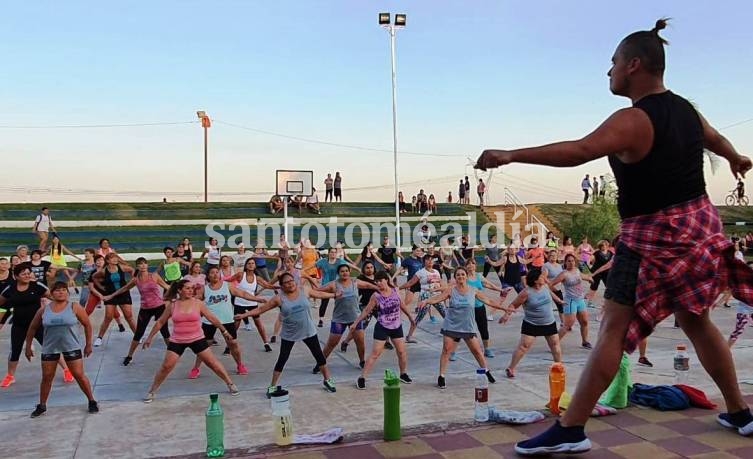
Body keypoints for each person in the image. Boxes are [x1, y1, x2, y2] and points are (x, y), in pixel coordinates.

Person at [476, 19, 753, 453]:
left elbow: (581, 151)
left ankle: (571, 429)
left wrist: (511, 154)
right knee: (698, 321)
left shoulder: (633, 119)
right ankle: (739, 412)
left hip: (651, 237)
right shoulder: (686, 110)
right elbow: (715, 138)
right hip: (699, 228)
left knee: (611, 330)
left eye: (613, 63)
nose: (609, 71)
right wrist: (736, 158)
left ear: (634, 66)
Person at [236, 272, 339, 396]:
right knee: (282, 359)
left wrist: (334, 295)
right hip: (289, 333)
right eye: (286, 282)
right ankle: (272, 386)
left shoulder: (304, 290)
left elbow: (320, 294)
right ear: (282, 286)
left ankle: (327, 380)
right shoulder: (279, 298)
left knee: (319, 356)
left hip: (308, 331)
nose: (290, 284)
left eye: (291, 281)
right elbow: (261, 309)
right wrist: (243, 315)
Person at [142, 280, 240, 402]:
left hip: (197, 338)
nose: (190, 291)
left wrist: (224, 331)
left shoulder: (198, 303)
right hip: (177, 340)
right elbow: (161, 322)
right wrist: (149, 338)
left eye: (191, 288)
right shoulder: (173, 305)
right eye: (187, 288)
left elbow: (211, 318)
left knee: (212, 363)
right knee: (166, 366)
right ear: (179, 290)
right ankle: (152, 391)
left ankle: (230, 383)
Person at [420, 267, 507, 388]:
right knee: (446, 351)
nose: (460, 277)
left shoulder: (473, 290)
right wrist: (427, 301)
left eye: (462, 274)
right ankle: (441, 376)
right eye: (458, 275)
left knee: (477, 351)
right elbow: (438, 298)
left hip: (467, 326)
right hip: (451, 325)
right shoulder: (451, 290)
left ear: (466, 276)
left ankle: (486, 371)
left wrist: (504, 308)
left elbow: (488, 301)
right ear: (455, 278)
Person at [24, 281, 98, 417]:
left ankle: (91, 400)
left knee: (79, 375)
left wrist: (88, 344)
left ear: (68, 293)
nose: (61, 292)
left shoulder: (74, 307)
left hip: (71, 346)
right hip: (50, 348)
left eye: (64, 290)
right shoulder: (44, 309)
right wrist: (28, 346)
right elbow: (32, 328)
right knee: (47, 377)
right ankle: (42, 405)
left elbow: (87, 324)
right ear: (51, 294)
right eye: (57, 290)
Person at [0, 264, 73, 388]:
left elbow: (54, 296)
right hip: (19, 325)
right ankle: (10, 376)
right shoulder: (10, 289)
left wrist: (60, 309)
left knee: (51, 347)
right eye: (23, 274)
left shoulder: (37, 286)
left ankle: (67, 370)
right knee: (15, 351)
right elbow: (1, 302)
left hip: (38, 324)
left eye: (29, 273)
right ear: (16, 276)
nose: (27, 275)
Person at [189, 266, 266, 378]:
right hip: (209, 321)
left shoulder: (227, 286)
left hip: (227, 320)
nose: (215, 274)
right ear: (208, 276)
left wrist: (257, 299)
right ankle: (196, 368)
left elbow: (243, 294)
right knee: (205, 346)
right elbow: (194, 300)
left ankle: (240, 365)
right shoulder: (204, 289)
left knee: (233, 344)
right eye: (212, 273)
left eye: (217, 272)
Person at [103, 258, 171, 366]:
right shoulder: (136, 280)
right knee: (139, 333)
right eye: (140, 264)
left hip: (159, 307)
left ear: (147, 265)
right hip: (145, 308)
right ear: (137, 267)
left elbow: (167, 286)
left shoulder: (154, 276)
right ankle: (129, 356)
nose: (143, 266)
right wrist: (111, 296)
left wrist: (178, 293)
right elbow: (124, 288)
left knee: (165, 331)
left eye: (145, 264)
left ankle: (172, 354)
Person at [352, 271, 415, 389]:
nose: (379, 283)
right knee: (375, 354)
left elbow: (402, 305)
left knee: (401, 352)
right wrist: (356, 322)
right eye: (377, 281)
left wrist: (411, 317)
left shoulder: (395, 290)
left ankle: (403, 373)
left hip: (396, 326)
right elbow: (366, 311)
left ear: (386, 280)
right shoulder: (376, 296)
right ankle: (362, 378)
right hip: (382, 327)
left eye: (381, 280)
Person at [500, 269, 564, 378]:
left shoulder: (545, 287)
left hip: (549, 323)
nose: (544, 278)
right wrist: (507, 315)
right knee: (523, 346)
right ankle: (511, 368)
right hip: (531, 323)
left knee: (555, 345)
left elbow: (551, 294)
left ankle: (558, 367)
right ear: (535, 280)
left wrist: (559, 301)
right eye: (541, 277)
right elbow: (513, 305)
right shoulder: (526, 292)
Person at [316, 264, 378, 372]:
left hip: (355, 318)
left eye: (346, 271)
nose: (345, 273)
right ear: (338, 273)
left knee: (360, 342)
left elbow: (368, 285)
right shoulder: (334, 285)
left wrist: (380, 288)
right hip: (339, 319)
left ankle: (362, 361)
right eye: (342, 271)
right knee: (332, 343)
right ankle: (320, 363)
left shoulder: (355, 282)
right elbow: (317, 291)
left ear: (350, 272)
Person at [231, 258, 277, 349]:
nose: (251, 265)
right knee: (235, 326)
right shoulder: (240, 275)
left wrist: (281, 287)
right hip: (239, 303)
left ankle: (266, 343)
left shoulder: (257, 278)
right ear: (246, 265)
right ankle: (229, 346)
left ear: (255, 266)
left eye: (252, 263)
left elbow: (267, 285)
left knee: (258, 324)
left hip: (252, 302)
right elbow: (229, 280)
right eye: (249, 263)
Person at [91, 253, 138, 346]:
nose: (116, 260)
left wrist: (133, 279)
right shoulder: (104, 271)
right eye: (113, 258)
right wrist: (101, 286)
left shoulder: (121, 267)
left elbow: (132, 269)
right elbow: (94, 277)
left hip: (123, 294)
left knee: (129, 316)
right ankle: (99, 338)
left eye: (116, 258)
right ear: (108, 261)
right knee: (108, 317)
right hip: (110, 294)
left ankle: (137, 336)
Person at [549, 254, 593, 349]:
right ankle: (554, 344)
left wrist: (590, 279)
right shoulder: (564, 274)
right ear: (565, 262)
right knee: (568, 325)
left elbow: (582, 276)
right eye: (569, 261)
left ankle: (585, 341)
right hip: (570, 301)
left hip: (580, 300)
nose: (571, 262)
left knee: (584, 322)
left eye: (572, 260)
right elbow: (551, 284)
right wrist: (556, 291)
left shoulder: (577, 270)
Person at [465, 259, 505, 357]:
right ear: (466, 266)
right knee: (463, 329)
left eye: (473, 263)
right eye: (468, 264)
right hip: (466, 308)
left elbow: (488, 284)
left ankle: (487, 349)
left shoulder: (479, 276)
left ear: (476, 265)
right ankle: (452, 351)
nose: (471, 265)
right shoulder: (463, 277)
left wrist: (500, 289)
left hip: (479, 306)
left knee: (483, 328)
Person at [402, 254, 445, 342]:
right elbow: (410, 283)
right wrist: (399, 288)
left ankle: (449, 332)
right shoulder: (420, 272)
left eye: (431, 260)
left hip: (436, 296)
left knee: (446, 315)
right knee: (419, 317)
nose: (430, 261)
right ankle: (409, 336)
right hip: (425, 297)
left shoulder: (437, 272)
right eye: (428, 260)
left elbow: (441, 284)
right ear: (424, 261)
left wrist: (443, 293)